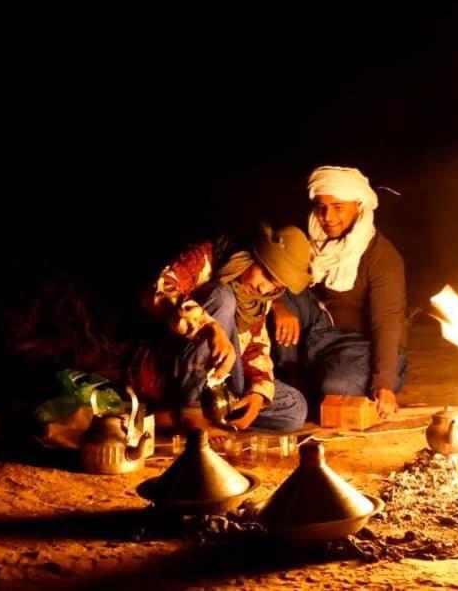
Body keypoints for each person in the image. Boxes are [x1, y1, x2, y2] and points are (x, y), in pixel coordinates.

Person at [131, 225, 312, 432]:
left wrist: (257, 395)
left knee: (294, 407)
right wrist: (208, 327)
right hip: (173, 370)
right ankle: (191, 409)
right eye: (267, 276)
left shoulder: (261, 298)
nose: (265, 289)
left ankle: (178, 418)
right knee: (223, 297)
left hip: (220, 382)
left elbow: (256, 347)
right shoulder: (207, 257)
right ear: (254, 257)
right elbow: (157, 291)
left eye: (277, 287)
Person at [271, 166, 407, 418]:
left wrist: (385, 385)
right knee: (283, 286)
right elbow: (272, 271)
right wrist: (279, 306)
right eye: (321, 207)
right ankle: (289, 379)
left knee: (336, 385)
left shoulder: (382, 258)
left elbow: (386, 322)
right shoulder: (311, 238)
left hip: (360, 346)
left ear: (359, 205)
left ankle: (307, 386)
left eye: (338, 207)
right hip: (319, 332)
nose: (327, 217)